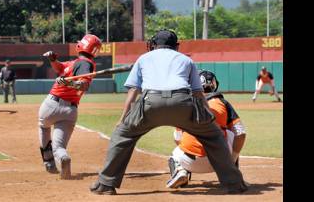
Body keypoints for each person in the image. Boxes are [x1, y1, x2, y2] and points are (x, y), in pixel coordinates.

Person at [90, 30, 248, 195]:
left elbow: (133, 92)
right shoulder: (187, 60)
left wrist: (123, 119)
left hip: (150, 103)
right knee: (214, 136)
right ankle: (233, 184)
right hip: (183, 102)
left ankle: (106, 184)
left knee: (122, 136)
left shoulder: (143, 58)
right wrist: (209, 117)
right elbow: (198, 93)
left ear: (153, 45)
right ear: (177, 46)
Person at [167, 70, 247, 188]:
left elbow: (177, 136)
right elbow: (241, 133)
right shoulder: (222, 103)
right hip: (220, 161)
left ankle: (180, 170)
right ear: (214, 85)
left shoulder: (187, 104)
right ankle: (232, 176)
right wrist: (231, 161)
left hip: (190, 162)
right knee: (231, 134)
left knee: (175, 152)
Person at [38, 34, 102, 179]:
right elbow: (60, 67)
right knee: (59, 147)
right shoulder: (77, 63)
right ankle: (62, 157)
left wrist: (67, 83)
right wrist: (53, 60)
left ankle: (49, 162)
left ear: (82, 45)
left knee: (44, 127)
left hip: (51, 105)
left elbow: (82, 84)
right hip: (70, 111)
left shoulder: (84, 64)